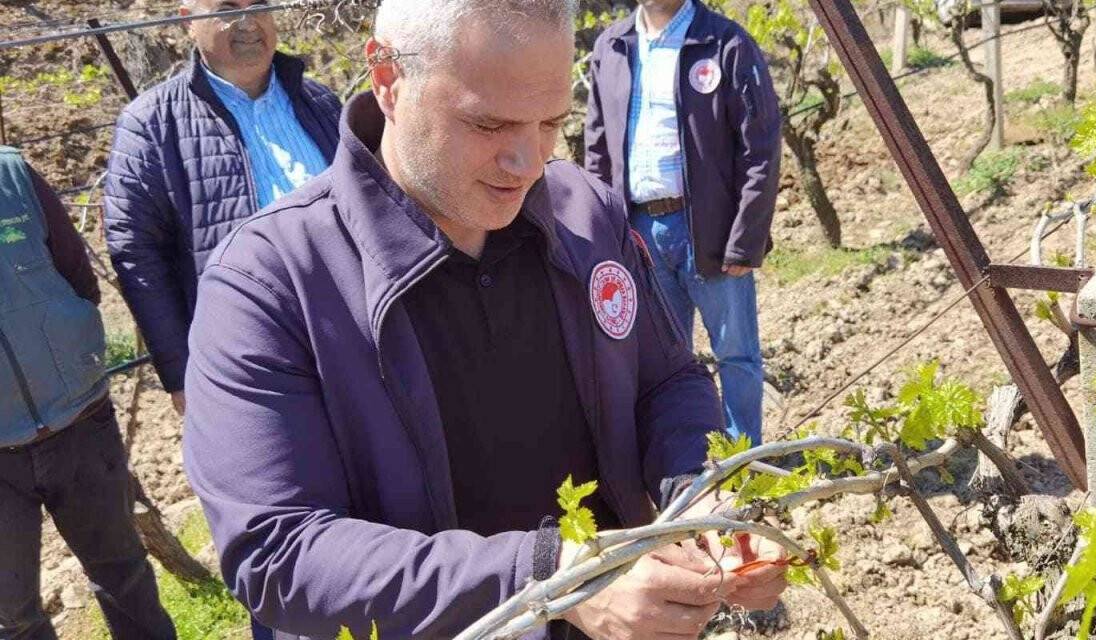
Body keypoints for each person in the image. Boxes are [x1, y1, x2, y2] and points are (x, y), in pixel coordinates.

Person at [181, 0, 789, 638]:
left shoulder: (585, 214)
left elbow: (666, 381)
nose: (528, 164)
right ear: (387, 81)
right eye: (489, 125)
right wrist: (553, 579)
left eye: (551, 123)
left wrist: (702, 495)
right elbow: (279, 553)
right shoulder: (267, 285)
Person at [104, 0, 342, 416]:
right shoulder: (151, 124)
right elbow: (137, 253)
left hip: (349, 337)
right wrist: (181, 372)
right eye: (228, 8)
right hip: (250, 360)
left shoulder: (319, 102)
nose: (248, 23)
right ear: (187, 21)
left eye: (261, 6)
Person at [584, 0, 782, 446]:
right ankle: (684, 461)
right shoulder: (611, 47)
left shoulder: (725, 44)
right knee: (662, 362)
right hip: (637, 233)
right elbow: (596, 148)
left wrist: (745, 238)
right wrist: (602, 232)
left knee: (736, 355)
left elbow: (760, 149)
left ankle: (741, 461)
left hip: (708, 229)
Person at [0, 149, 175, 639]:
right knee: (12, 617)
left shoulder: (11, 175)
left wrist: (67, 340)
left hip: (79, 418)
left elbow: (78, 277)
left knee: (125, 576)